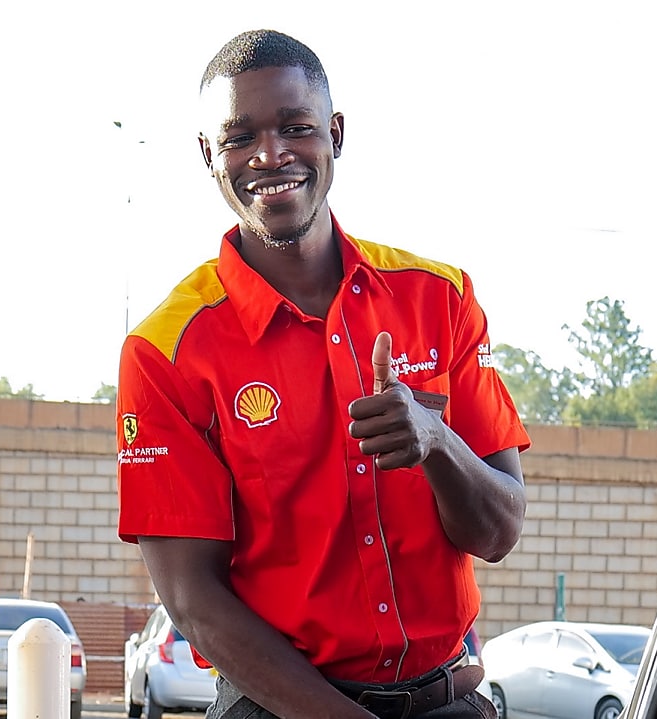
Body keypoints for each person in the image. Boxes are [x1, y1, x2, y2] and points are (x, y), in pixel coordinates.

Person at [116, 29, 529, 719]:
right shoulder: (165, 351)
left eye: (295, 127)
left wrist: (436, 441)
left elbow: (499, 532)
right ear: (207, 156)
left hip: (450, 700)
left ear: (335, 133)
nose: (270, 155)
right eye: (239, 136)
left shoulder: (441, 298)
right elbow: (193, 600)